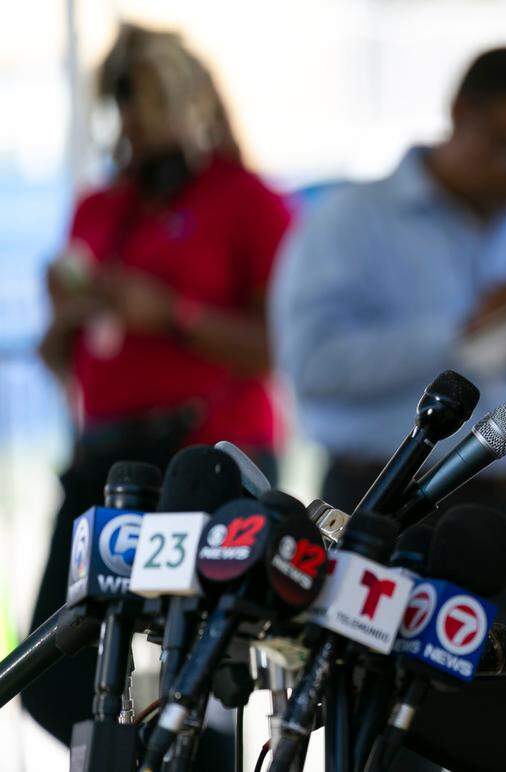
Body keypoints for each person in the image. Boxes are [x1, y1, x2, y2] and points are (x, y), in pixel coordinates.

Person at [271, 47, 506, 672]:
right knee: (385, 738)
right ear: (458, 115)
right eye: (505, 145)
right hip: (390, 512)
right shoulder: (353, 221)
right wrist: (459, 338)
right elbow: (309, 365)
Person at [26, 24, 290, 753]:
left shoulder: (248, 202)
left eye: (150, 107)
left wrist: (169, 313)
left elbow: (276, 347)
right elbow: (66, 359)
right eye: (126, 108)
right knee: (56, 674)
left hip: (205, 461)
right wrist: (64, 319)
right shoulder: (101, 209)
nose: (137, 128)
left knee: (205, 673)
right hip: (106, 465)